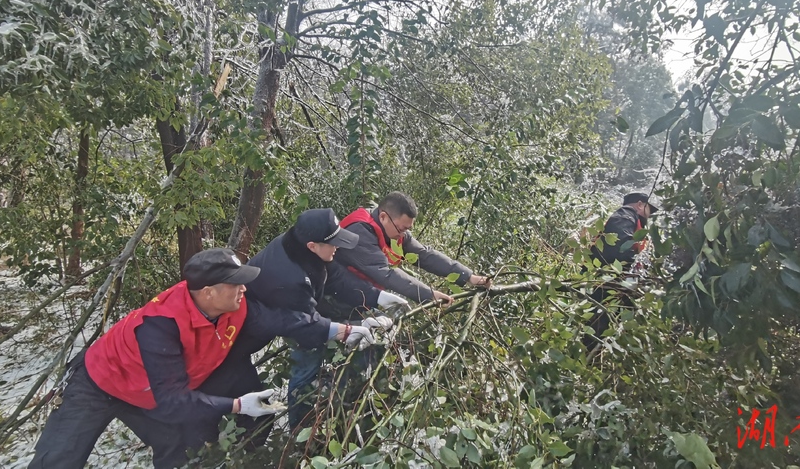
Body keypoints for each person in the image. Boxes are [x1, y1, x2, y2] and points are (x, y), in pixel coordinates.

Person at [28, 248, 348, 468]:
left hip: (148, 392)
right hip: (99, 384)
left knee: (179, 452)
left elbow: (283, 320)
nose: (244, 289)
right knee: (59, 459)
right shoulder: (161, 325)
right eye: (234, 283)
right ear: (208, 291)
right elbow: (172, 401)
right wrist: (236, 405)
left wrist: (342, 331)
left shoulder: (235, 305)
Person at [244, 208, 404, 432]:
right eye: (334, 243)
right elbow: (305, 325)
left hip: (290, 311)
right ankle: (298, 433)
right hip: (247, 332)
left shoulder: (303, 245)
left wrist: (378, 297)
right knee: (304, 366)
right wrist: (351, 329)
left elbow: (337, 278)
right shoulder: (290, 278)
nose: (338, 247)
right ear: (313, 246)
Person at [332, 191, 490, 312]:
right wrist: (429, 295)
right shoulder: (359, 232)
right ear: (383, 217)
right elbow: (386, 273)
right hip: (335, 304)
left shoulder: (394, 230)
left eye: (407, 230)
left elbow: (423, 255)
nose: (403, 235)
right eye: (401, 229)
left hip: (363, 301)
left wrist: (469, 276)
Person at [582, 192, 659, 351]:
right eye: (649, 209)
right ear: (639, 204)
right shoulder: (625, 216)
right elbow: (619, 249)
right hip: (605, 284)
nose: (649, 215)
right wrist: (636, 275)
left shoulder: (628, 219)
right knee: (598, 329)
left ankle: (597, 359)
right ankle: (591, 363)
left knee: (604, 327)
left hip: (609, 283)